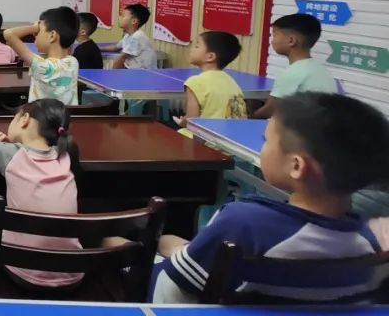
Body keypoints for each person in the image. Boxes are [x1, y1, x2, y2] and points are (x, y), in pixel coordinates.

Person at [152, 92, 389, 304]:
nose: (262, 146)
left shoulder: (243, 223)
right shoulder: (372, 244)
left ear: (296, 166)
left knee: (156, 242)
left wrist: (169, 248)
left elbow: (172, 290)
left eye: (266, 141)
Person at [0, 76, 82, 287]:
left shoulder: (12, 155)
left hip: (22, 274)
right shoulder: (66, 155)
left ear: (24, 119)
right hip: (72, 276)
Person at [252, 13, 339, 119]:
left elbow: (271, 109)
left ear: (291, 41)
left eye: (275, 35)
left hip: (304, 127)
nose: (272, 40)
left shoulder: (293, 72)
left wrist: (249, 117)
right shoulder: (320, 69)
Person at [3, 7, 81, 105]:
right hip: (65, 115)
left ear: (52, 36)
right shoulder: (73, 62)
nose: (35, 35)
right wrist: (41, 26)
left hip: (39, 115)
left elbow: (8, 34)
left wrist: (34, 26)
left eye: (39, 31)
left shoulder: (42, 66)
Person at [174, 31, 247, 130]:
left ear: (210, 57)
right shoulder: (233, 83)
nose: (192, 49)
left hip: (205, 136)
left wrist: (182, 122)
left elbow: (191, 121)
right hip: (231, 135)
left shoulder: (194, 82)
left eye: (197, 46)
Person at [101, 3, 157, 69]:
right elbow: (116, 47)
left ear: (134, 21)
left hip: (143, 73)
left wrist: (111, 73)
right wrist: (99, 49)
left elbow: (122, 57)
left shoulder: (137, 37)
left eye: (123, 16)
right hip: (132, 70)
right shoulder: (128, 35)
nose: (119, 17)